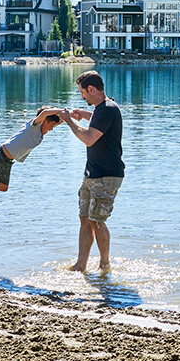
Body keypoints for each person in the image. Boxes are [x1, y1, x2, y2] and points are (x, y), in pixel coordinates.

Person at [60, 70, 124, 272]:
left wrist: (70, 121)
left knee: (97, 221)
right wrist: (86, 115)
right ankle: (81, 264)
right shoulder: (101, 109)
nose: (82, 96)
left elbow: (89, 138)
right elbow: (99, 123)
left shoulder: (107, 109)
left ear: (92, 89)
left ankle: (105, 265)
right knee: (85, 218)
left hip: (107, 175)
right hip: (92, 174)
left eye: (83, 92)